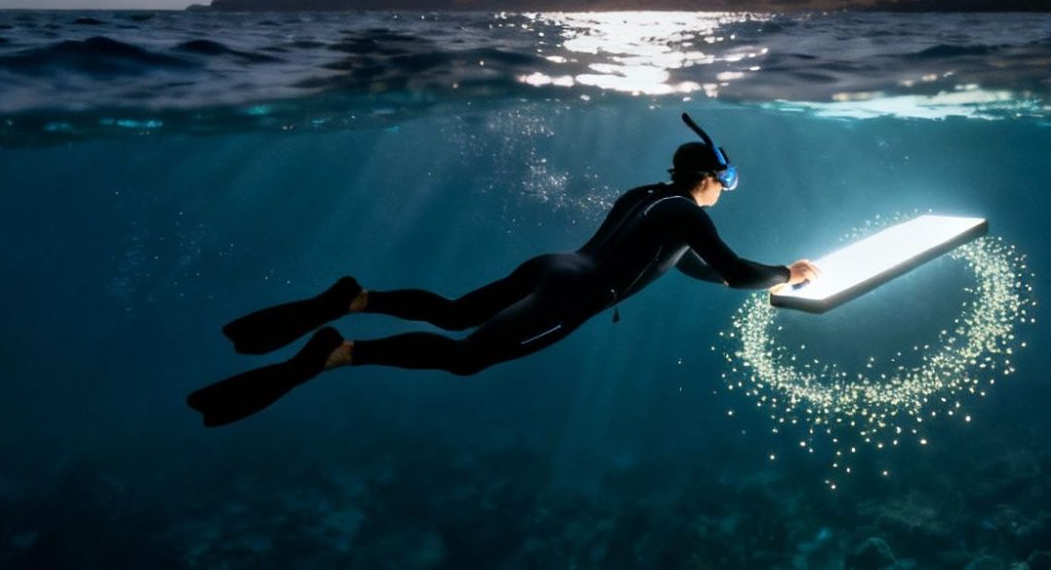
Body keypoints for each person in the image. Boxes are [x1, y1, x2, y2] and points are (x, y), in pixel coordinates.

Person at [186, 113, 820, 427]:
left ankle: (357, 297)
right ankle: (339, 352)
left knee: (457, 311)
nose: (721, 196)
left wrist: (754, 285)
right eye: (723, 186)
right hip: (573, 298)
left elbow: (682, 267)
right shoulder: (688, 212)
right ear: (708, 178)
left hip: (554, 266)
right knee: (466, 357)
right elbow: (733, 270)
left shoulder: (645, 195)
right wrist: (786, 274)